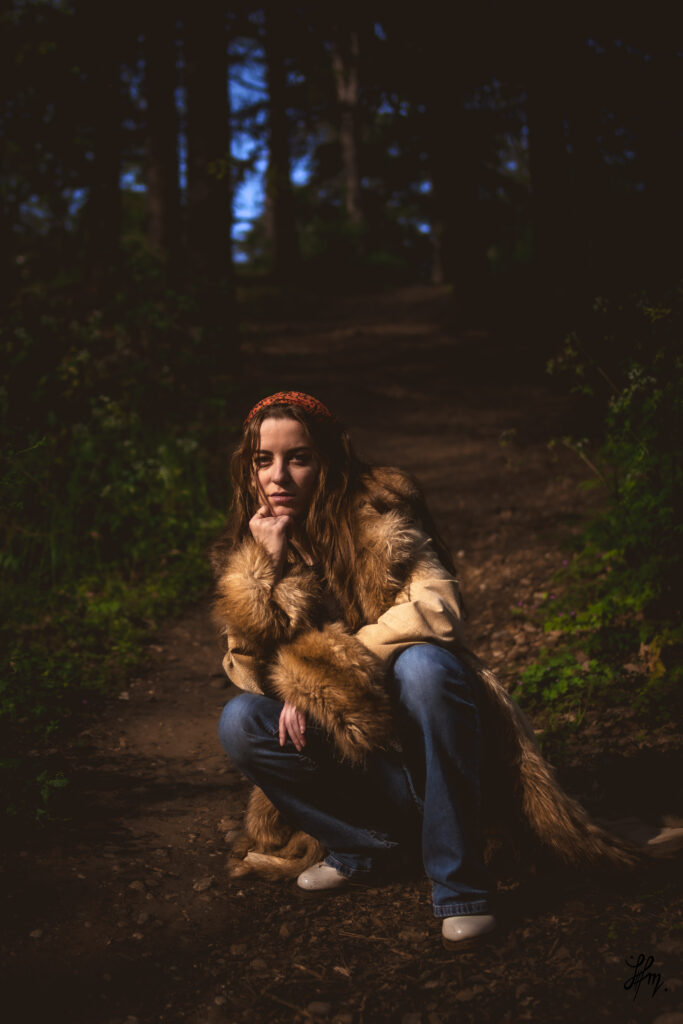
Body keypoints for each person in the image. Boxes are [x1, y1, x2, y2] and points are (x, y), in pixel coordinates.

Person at [213, 391, 637, 951]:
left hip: (434, 755)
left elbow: (435, 609)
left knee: (424, 666)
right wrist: (263, 569)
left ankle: (460, 884)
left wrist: (321, 678)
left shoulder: (380, 514)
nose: (279, 475)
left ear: (328, 460)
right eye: (264, 460)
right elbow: (247, 671)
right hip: (365, 772)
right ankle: (364, 846)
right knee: (241, 719)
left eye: (299, 457)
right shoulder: (255, 544)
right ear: (249, 468)